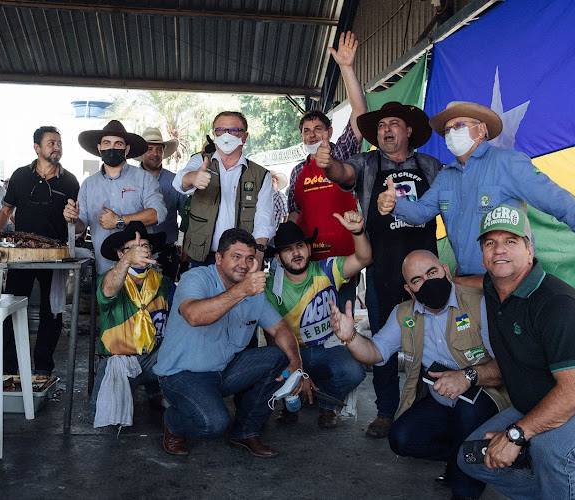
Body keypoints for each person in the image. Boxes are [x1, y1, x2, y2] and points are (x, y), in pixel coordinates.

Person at [459, 205, 575, 498]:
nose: (499, 250)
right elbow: (474, 282)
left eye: (511, 241)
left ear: (530, 250)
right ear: (483, 255)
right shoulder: (494, 286)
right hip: (538, 404)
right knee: (473, 457)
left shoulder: (557, 303)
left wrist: (516, 435)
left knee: (550, 450)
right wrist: (436, 281)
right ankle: (566, 492)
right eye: (491, 243)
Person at [380, 101, 575, 287]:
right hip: (469, 283)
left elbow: (562, 204)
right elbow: (421, 212)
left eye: (459, 125)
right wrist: (395, 204)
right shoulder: (446, 175)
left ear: (481, 130)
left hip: (512, 283)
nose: (451, 134)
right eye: (447, 130)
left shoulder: (509, 163)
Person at [330, 249, 509, 500]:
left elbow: (505, 367)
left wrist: (467, 376)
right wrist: (349, 336)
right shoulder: (404, 314)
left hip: (486, 395)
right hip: (443, 399)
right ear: (409, 289)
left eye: (432, 272)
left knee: (468, 415)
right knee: (402, 438)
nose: (427, 282)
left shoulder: (478, 303)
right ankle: (466, 456)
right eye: (417, 280)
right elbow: (375, 352)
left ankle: (465, 488)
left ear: (445, 271)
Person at [318, 101, 443, 438]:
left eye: (394, 124)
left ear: (408, 131)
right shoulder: (369, 162)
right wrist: (328, 165)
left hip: (425, 272)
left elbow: (451, 207)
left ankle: (429, 406)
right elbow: (342, 173)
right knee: (383, 343)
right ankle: (386, 411)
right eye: (382, 125)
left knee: (432, 339)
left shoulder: (430, 165)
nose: (386, 129)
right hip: (382, 270)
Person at [154, 228, 304, 458]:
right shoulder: (196, 278)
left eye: (249, 258)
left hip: (223, 371)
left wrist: (296, 364)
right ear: (219, 257)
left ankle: (245, 432)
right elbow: (194, 316)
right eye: (236, 256)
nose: (243, 264)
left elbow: (280, 328)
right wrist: (241, 291)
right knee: (213, 424)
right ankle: (172, 422)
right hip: (182, 374)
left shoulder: (253, 291)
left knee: (278, 356)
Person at [264, 214, 370, 428]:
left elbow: (363, 259)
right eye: (287, 249)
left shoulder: (327, 268)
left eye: (300, 246)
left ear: (309, 249)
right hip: (292, 352)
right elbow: (272, 339)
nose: (296, 253)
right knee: (272, 369)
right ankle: (290, 401)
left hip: (328, 348)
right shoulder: (270, 288)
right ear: (278, 258)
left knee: (354, 371)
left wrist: (357, 231)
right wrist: (295, 371)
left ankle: (326, 405)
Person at [0, 126, 80, 375]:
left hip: (56, 256)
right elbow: (6, 211)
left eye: (59, 143)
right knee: (11, 308)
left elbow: (77, 222)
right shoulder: (20, 176)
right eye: (51, 143)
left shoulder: (70, 181)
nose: (57, 147)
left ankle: (43, 369)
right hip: (22, 255)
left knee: (52, 312)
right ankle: (9, 368)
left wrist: (75, 222)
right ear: (37, 147)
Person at [287, 31, 366, 312]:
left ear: (329, 132)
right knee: (314, 323)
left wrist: (346, 68)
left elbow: (359, 113)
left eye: (317, 129)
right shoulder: (297, 172)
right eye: (306, 131)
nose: (311, 135)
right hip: (311, 265)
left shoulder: (343, 152)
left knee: (342, 322)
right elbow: (294, 216)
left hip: (346, 260)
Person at [90, 221, 173, 426]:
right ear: (120, 254)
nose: (141, 251)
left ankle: (156, 388)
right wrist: (128, 260)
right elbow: (108, 291)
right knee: (101, 414)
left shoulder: (164, 283)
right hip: (120, 359)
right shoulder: (107, 279)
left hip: (155, 357)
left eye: (145, 246)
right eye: (133, 248)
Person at [63, 120, 167, 276]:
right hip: (104, 268)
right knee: (107, 300)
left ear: (127, 149)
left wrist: (120, 220)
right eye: (106, 143)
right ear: (99, 148)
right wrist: (72, 219)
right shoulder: (88, 184)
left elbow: (158, 214)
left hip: (139, 268)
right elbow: (80, 227)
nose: (112, 147)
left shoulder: (144, 179)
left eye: (118, 144)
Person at [173, 111, 274, 269]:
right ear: (214, 134)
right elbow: (180, 181)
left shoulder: (261, 175)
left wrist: (258, 256)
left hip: (241, 261)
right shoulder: (200, 161)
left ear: (244, 137)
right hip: (203, 257)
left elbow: (264, 221)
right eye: (220, 130)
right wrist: (192, 178)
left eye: (234, 130)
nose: (226, 135)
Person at [137, 127, 186, 282]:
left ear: (164, 152)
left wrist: (185, 253)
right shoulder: (130, 180)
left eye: (159, 149)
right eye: (149, 149)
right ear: (142, 153)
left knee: (166, 299)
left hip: (167, 253)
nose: (155, 154)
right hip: (136, 252)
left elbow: (187, 217)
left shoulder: (176, 181)